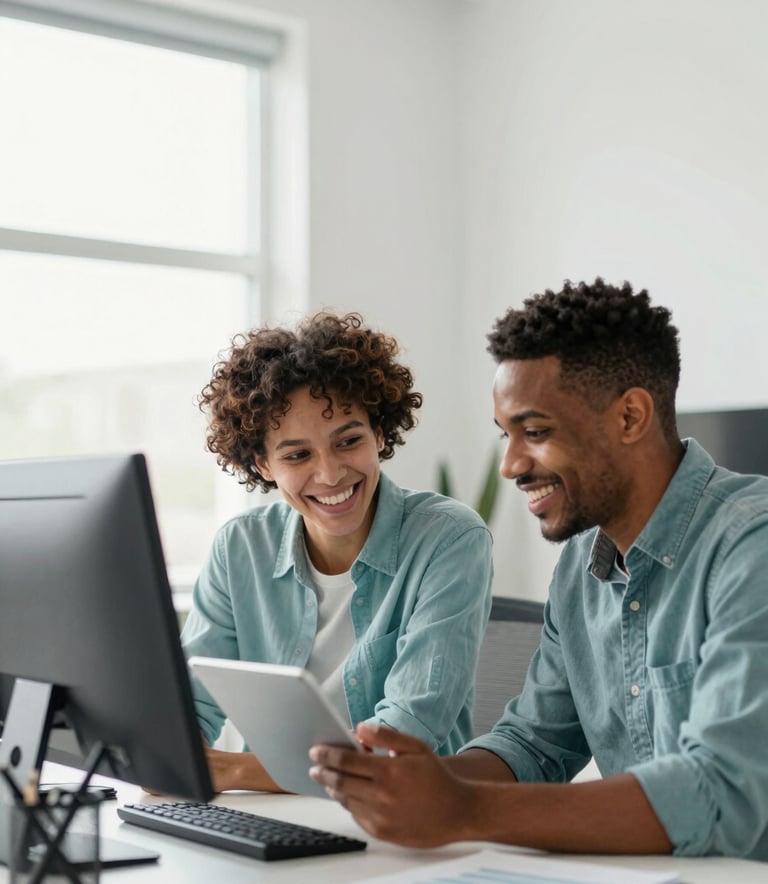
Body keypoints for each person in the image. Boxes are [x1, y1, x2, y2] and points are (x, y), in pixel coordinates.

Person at [308, 279, 768, 861]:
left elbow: (721, 795)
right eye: (507, 435)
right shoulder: (582, 563)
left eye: (537, 432)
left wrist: (461, 810)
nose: (510, 465)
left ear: (630, 416)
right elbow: (534, 744)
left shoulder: (752, 544)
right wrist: (419, 787)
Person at [181, 310, 494, 793]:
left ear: (380, 434)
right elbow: (190, 706)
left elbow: (403, 740)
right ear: (264, 464)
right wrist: (173, 761)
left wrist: (232, 771)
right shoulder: (241, 546)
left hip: (400, 816)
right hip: (269, 815)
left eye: (348, 441)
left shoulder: (449, 539)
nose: (330, 475)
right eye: (297, 455)